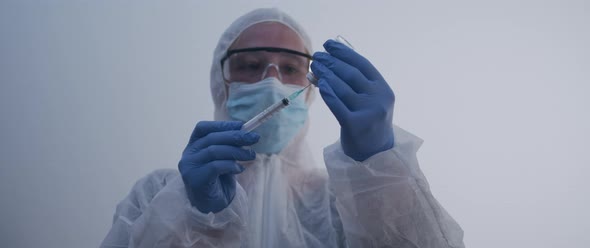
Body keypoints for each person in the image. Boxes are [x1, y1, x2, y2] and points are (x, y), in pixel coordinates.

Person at [100, 8, 465, 248]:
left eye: (290, 68)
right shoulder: (160, 193)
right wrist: (191, 214)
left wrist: (379, 175)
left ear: (307, 92)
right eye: (251, 64)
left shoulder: (340, 202)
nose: (272, 81)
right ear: (220, 82)